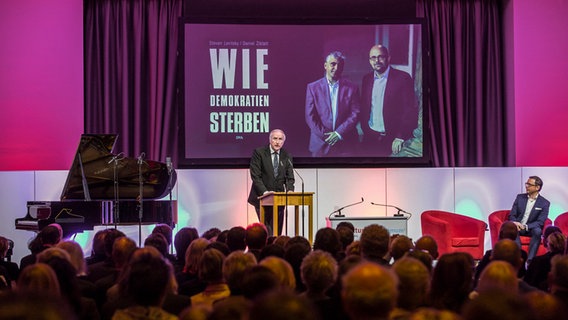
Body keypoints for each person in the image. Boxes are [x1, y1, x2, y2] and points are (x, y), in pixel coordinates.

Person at [361, 44, 418, 156]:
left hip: (392, 140)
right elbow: (364, 107)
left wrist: (400, 137)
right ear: (369, 60)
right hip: (370, 137)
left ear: (388, 58)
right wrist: (365, 129)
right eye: (373, 57)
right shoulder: (366, 79)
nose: (377, 60)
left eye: (380, 57)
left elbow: (409, 110)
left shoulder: (403, 78)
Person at [305, 51, 361, 157]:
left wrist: (338, 133)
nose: (336, 68)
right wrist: (327, 136)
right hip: (320, 145)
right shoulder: (313, 87)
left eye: (340, 65)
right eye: (333, 64)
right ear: (325, 66)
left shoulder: (352, 88)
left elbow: (355, 113)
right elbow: (310, 116)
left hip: (346, 145)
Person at [247, 129, 295, 236]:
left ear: (283, 141)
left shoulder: (286, 156)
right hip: (261, 198)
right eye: (275, 139)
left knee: (277, 232)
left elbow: (290, 178)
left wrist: (290, 190)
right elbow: (256, 176)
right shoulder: (259, 153)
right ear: (270, 140)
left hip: (279, 199)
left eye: (280, 139)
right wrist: (265, 193)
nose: (277, 142)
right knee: (266, 231)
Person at [508, 175, 550, 261]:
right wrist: (515, 223)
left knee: (538, 231)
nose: (526, 186)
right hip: (518, 226)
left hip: (531, 228)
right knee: (513, 229)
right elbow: (512, 214)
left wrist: (526, 226)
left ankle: (530, 260)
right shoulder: (520, 198)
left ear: (537, 187)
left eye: (529, 184)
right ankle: (519, 257)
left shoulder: (545, 203)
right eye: (526, 184)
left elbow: (540, 222)